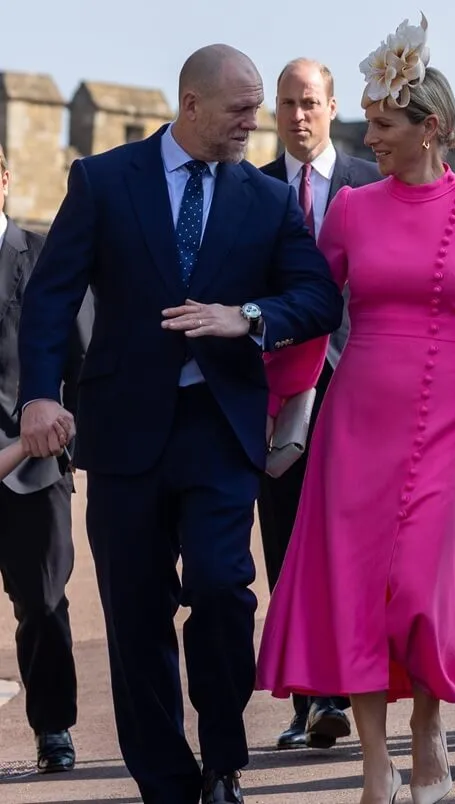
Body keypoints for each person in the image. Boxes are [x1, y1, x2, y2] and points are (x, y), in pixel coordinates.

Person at [17, 44, 344, 804]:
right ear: (191, 105)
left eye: (257, 108)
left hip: (220, 428)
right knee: (135, 613)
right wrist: (38, 394)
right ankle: (166, 782)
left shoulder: (266, 200)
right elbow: (51, 295)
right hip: (123, 430)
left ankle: (223, 760)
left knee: (224, 589)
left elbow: (318, 298)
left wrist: (248, 315)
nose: (254, 124)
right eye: (241, 109)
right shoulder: (103, 180)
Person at [256, 16, 455, 804]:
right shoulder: (350, 209)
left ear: (430, 129)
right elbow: (315, 313)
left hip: (453, 423)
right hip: (356, 423)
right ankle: (377, 757)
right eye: (369, 123)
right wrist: (276, 398)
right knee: (356, 588)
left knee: (422, 585)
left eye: (383, 124)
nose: (368, 137)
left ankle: (428, 727)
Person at [258, 56, 380, 752]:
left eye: (310, 102)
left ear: (334, 108)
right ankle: (309, 699)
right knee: (286, 540)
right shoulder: (250, 189)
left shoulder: (374, 181)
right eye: (287, 103)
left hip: (361, 382)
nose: (298, 115)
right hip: (278, 391)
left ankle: (349, 687)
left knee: (356, 541)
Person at [0, 145, 92, 774]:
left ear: (5, 179)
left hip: (32, 466)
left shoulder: (41, 257)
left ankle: (53, 727)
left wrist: (69, 437)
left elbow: (82, 356)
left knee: (43, 603)